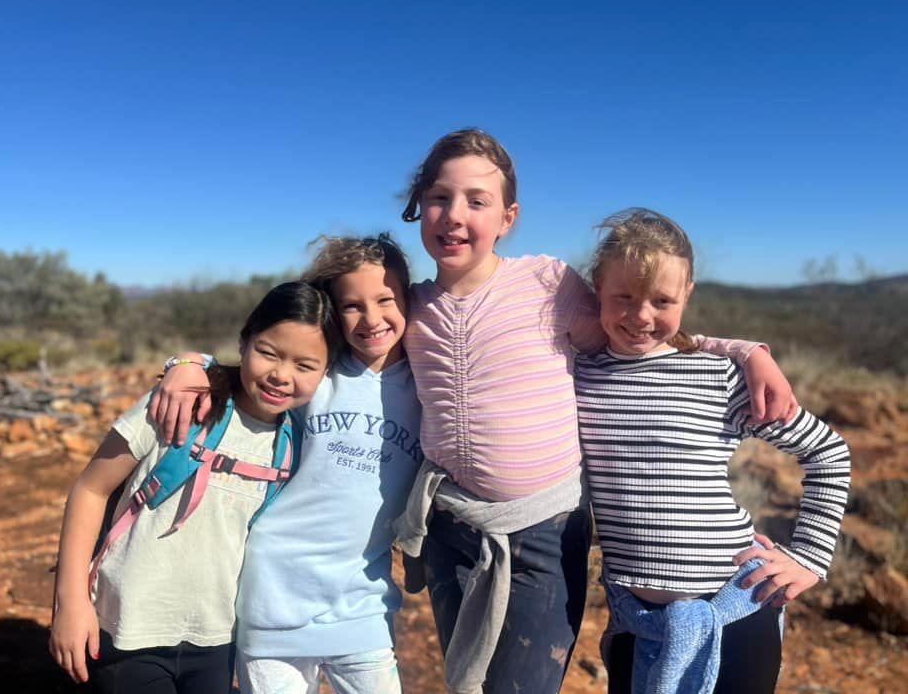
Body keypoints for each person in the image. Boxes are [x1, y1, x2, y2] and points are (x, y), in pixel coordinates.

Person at [392, 128, 799, 694]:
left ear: (508, 217)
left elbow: (639, 326)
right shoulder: (409, 306)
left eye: (477, 201)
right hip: (450, 527)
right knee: (466, 676)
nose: (454, 214)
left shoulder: (547, 284)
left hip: (544, 532)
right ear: (419, 206)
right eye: (440, 197)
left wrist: (744, 351)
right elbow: (327, 349)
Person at [574, 208, 851, 693]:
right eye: (623, 297)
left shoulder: (715, 376)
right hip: (635, 624)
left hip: (736, 613)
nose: (641, 316)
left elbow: (828, 453)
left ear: (688, 296)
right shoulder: (577, 374)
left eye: (662, 300)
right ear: (597, 286)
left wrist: (808, 557)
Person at [152, 234, 423, 694]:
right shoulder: (318, 372)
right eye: (353, 306)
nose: (372, 318)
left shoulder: (428, 384)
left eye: (385, 299)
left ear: (407, 298)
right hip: (272, 600)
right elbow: (254, 367)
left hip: (363, 605)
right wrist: (187, 362)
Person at [49, 281, 340, 693]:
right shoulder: (181, 402)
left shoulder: (298, 442)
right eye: (268, 352)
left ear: (325, 372)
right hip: (129, 627)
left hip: (216, 637)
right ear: (244, 343)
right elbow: (90, 490)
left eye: (305, 366)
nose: (281, 375)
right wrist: (70, 603)